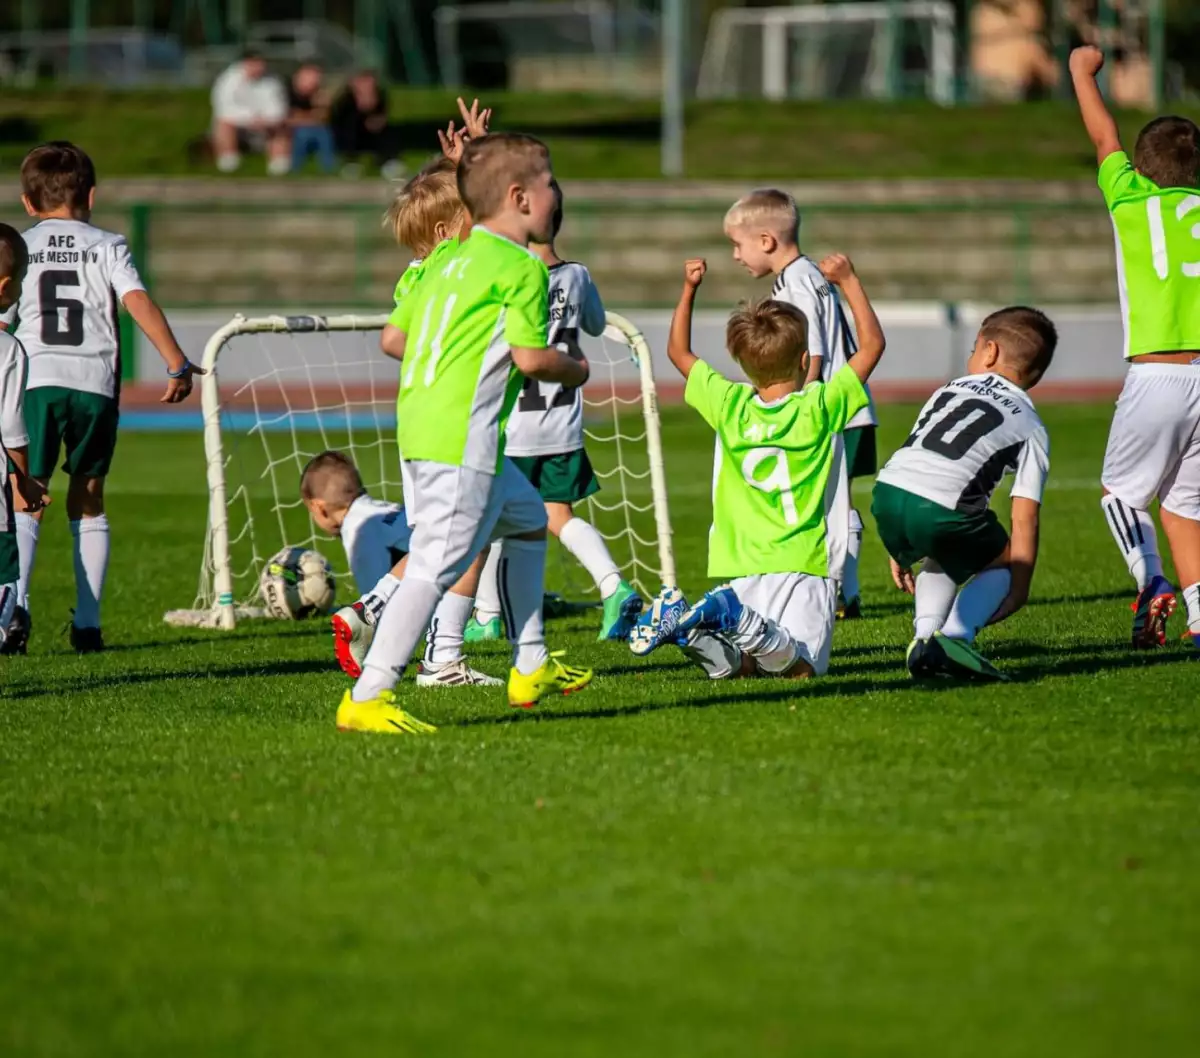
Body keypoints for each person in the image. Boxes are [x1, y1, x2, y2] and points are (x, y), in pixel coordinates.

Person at [335, 132, 593, 735]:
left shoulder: (443, 260)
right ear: (521, 198)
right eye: (549, 182)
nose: (555, 192)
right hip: (463, 439)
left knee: (529, 519)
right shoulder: (521, 266)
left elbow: (394, 340)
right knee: (432, 567)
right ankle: (369, 696)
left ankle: (529, 664)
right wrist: (574, 367)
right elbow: (532, 359)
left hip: (422, 424)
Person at [630, 253, 885, 682]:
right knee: (802, 670)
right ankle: (733, 618)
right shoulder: (821, 406)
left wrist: (689, 289)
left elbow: (678, 352)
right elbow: (873, 346)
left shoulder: (728, 404)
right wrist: (849, 280)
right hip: (803, 562)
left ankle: (693, 633)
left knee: (745, 668)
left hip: (742, 563)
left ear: (742, 364)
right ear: (806, 361)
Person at [0, 142, 201, 654]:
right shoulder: (107, 244)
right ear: (90, 195)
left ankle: (12, 612)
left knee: (27, 495)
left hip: (35, 381)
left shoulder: (18, 249)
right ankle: (87, 624)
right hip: (93, 384)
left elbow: (5, 323)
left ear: (27, 202)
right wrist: (175, 359)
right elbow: (136, 300)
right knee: (88, 499)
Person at [467, 183, 643, 644]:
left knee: (487, 521)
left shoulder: (511, 278)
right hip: (563, 425)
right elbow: (596, 325)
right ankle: (613, 586)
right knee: (556, 514)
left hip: (514, 428)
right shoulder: (577, 275)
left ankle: (485, 616)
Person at [1070, 45, 1200, 652]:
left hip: (1160, 373)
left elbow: (1102, 137)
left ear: (1142, 168)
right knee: (1182, 504)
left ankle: (1151, 582)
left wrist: (1080, 73)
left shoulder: (1130, 197)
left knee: (1120, 495)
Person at [872, 308, 1057, 681]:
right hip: (940, 508)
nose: (970, 356)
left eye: (973, 348)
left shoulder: (949, 389)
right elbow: (1025, 515)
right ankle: (956, 638)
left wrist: (900, 545)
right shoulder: (1031, 424)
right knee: (1005, 560)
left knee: (946, 550)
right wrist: (1019, 584)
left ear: (989, 352)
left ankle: (924, 640)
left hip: (887, 494)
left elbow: (917, 453)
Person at [724, 188, 878, 619]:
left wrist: (796, 406)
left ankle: (841, 592)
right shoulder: (804, 274)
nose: (736, 255)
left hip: (827, 409)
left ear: (766, 241)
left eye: (738, 245)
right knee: (836, 500)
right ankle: (846, 592)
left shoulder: (796, 282)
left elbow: (812, 351)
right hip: (844, 405)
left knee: (830, 503)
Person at [300, 451, 499, 687]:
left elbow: (389, 601)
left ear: (319, 508)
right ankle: (488, 615)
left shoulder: (359, 531)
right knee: (478, 529)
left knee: (467, 535)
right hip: (469, 577)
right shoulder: (380, 510)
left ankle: (367, 613)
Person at [0, 225, 50, 654]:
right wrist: (26, 479)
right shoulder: (8, 349)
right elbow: (12, 427)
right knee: (3, 581)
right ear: (5, 288)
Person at [211, 51, 290, 176]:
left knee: (281, 126)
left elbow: (279, 108)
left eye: (261, 64)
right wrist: (250, 118)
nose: (259, 67)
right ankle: (229, 160)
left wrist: (265, 120)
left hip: (265, 124)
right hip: (238, 123)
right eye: (255, 64)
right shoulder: (228, 80)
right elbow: (224, 108)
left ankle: (278, 162)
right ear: (246, 63)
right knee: (222, 123)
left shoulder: (273, 81)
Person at [331, 70, 400, 178]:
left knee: (387, 131)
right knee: (351, 129)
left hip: (373, 130)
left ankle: (387, 162)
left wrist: (376, 121)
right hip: (352, 131)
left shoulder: (380, 94)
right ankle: (351, 162)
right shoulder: (346, 98)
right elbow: (342, 119)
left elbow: (383, 114)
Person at [287, 62, 335, 175]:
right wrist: (311, 116)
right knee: (303, 133)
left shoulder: (320, 95)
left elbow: (323, 118)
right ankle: (296, 168)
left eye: (316, 77)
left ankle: (327, 169)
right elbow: (289, 119)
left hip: (316, 130)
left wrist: (305, 116)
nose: (313, 81)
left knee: (324, 133)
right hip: (290, 130)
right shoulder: (288, 93)